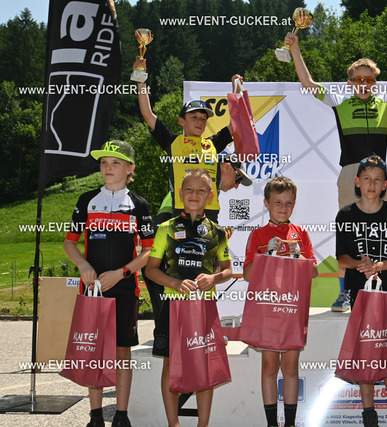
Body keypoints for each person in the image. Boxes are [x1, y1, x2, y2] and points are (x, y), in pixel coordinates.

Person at [285, 26, 387, 312]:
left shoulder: (385, 101)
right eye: (359, 79)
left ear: (375, 82)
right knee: (349, 232)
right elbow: (308, 83)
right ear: (350, 82)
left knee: (381, 232)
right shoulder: (340, 102)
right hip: (350, 173)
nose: (364, 84)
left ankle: (380, 285)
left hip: (379, 175)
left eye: (369, 79)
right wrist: (295, 49)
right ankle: (345, 292)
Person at [134, 56, 252, 322]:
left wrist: (238, 93)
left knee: (206, 271)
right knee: (173, 270)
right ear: (181, 121)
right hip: (180, 213)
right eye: (194, 117)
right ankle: (167, 327)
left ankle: (205, 327)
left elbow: (237, 124)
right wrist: (141, 80)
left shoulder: (212, 144)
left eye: (203, 118)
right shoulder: (174, 143)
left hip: (210, 215)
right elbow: (148, 115)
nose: (199, 122)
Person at [63, 140, 154, 427]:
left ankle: (121, 416)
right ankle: (95, 416)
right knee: (94, 350)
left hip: (125, 289)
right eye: (104, 163)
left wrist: (122, 273)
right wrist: (83, 265)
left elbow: (149, 251)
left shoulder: (140, 205)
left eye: (116, 162)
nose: (108, 168)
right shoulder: (86, 200)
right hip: (93, 290)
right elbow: (70, 243)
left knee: (122, 353)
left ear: (130, 168)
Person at [145, 169, 233, 427]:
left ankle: (203, 424)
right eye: (189, 190)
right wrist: (174, 283)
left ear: (210, 195)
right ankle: (173, 423)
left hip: (204, 308)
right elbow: (150, 270)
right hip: (172, 306)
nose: (194, 195)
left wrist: (213, 279)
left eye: (201, 191)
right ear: (180, 194)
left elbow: (227, 270)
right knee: (170, 365)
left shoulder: (218, 232)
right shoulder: (166, 228)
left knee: (204, 365)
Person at [335, 155, 387, 427]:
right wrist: (362, 266)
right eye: (367, 178)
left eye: (378, 179)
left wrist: (379, 265)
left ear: (386, 184)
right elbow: (342, 258)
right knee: (365, 355)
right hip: (361, 297)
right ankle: (369, 416)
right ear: (357, 182)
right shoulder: (345, 215)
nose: (372, 184)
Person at [243, 176, 318, 427]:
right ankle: (272, 424)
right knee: (269, 366)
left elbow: (314, 272)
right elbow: (247, 275)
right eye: (278, 202)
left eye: (288, 203)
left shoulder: (301, 234)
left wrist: (299, 257)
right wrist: (266, 254)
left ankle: (291, 423)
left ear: (294, 204)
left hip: (292, 308)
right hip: (268, 309)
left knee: (291, 367)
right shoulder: (258, 235)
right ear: (266, 203)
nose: (283, 208)